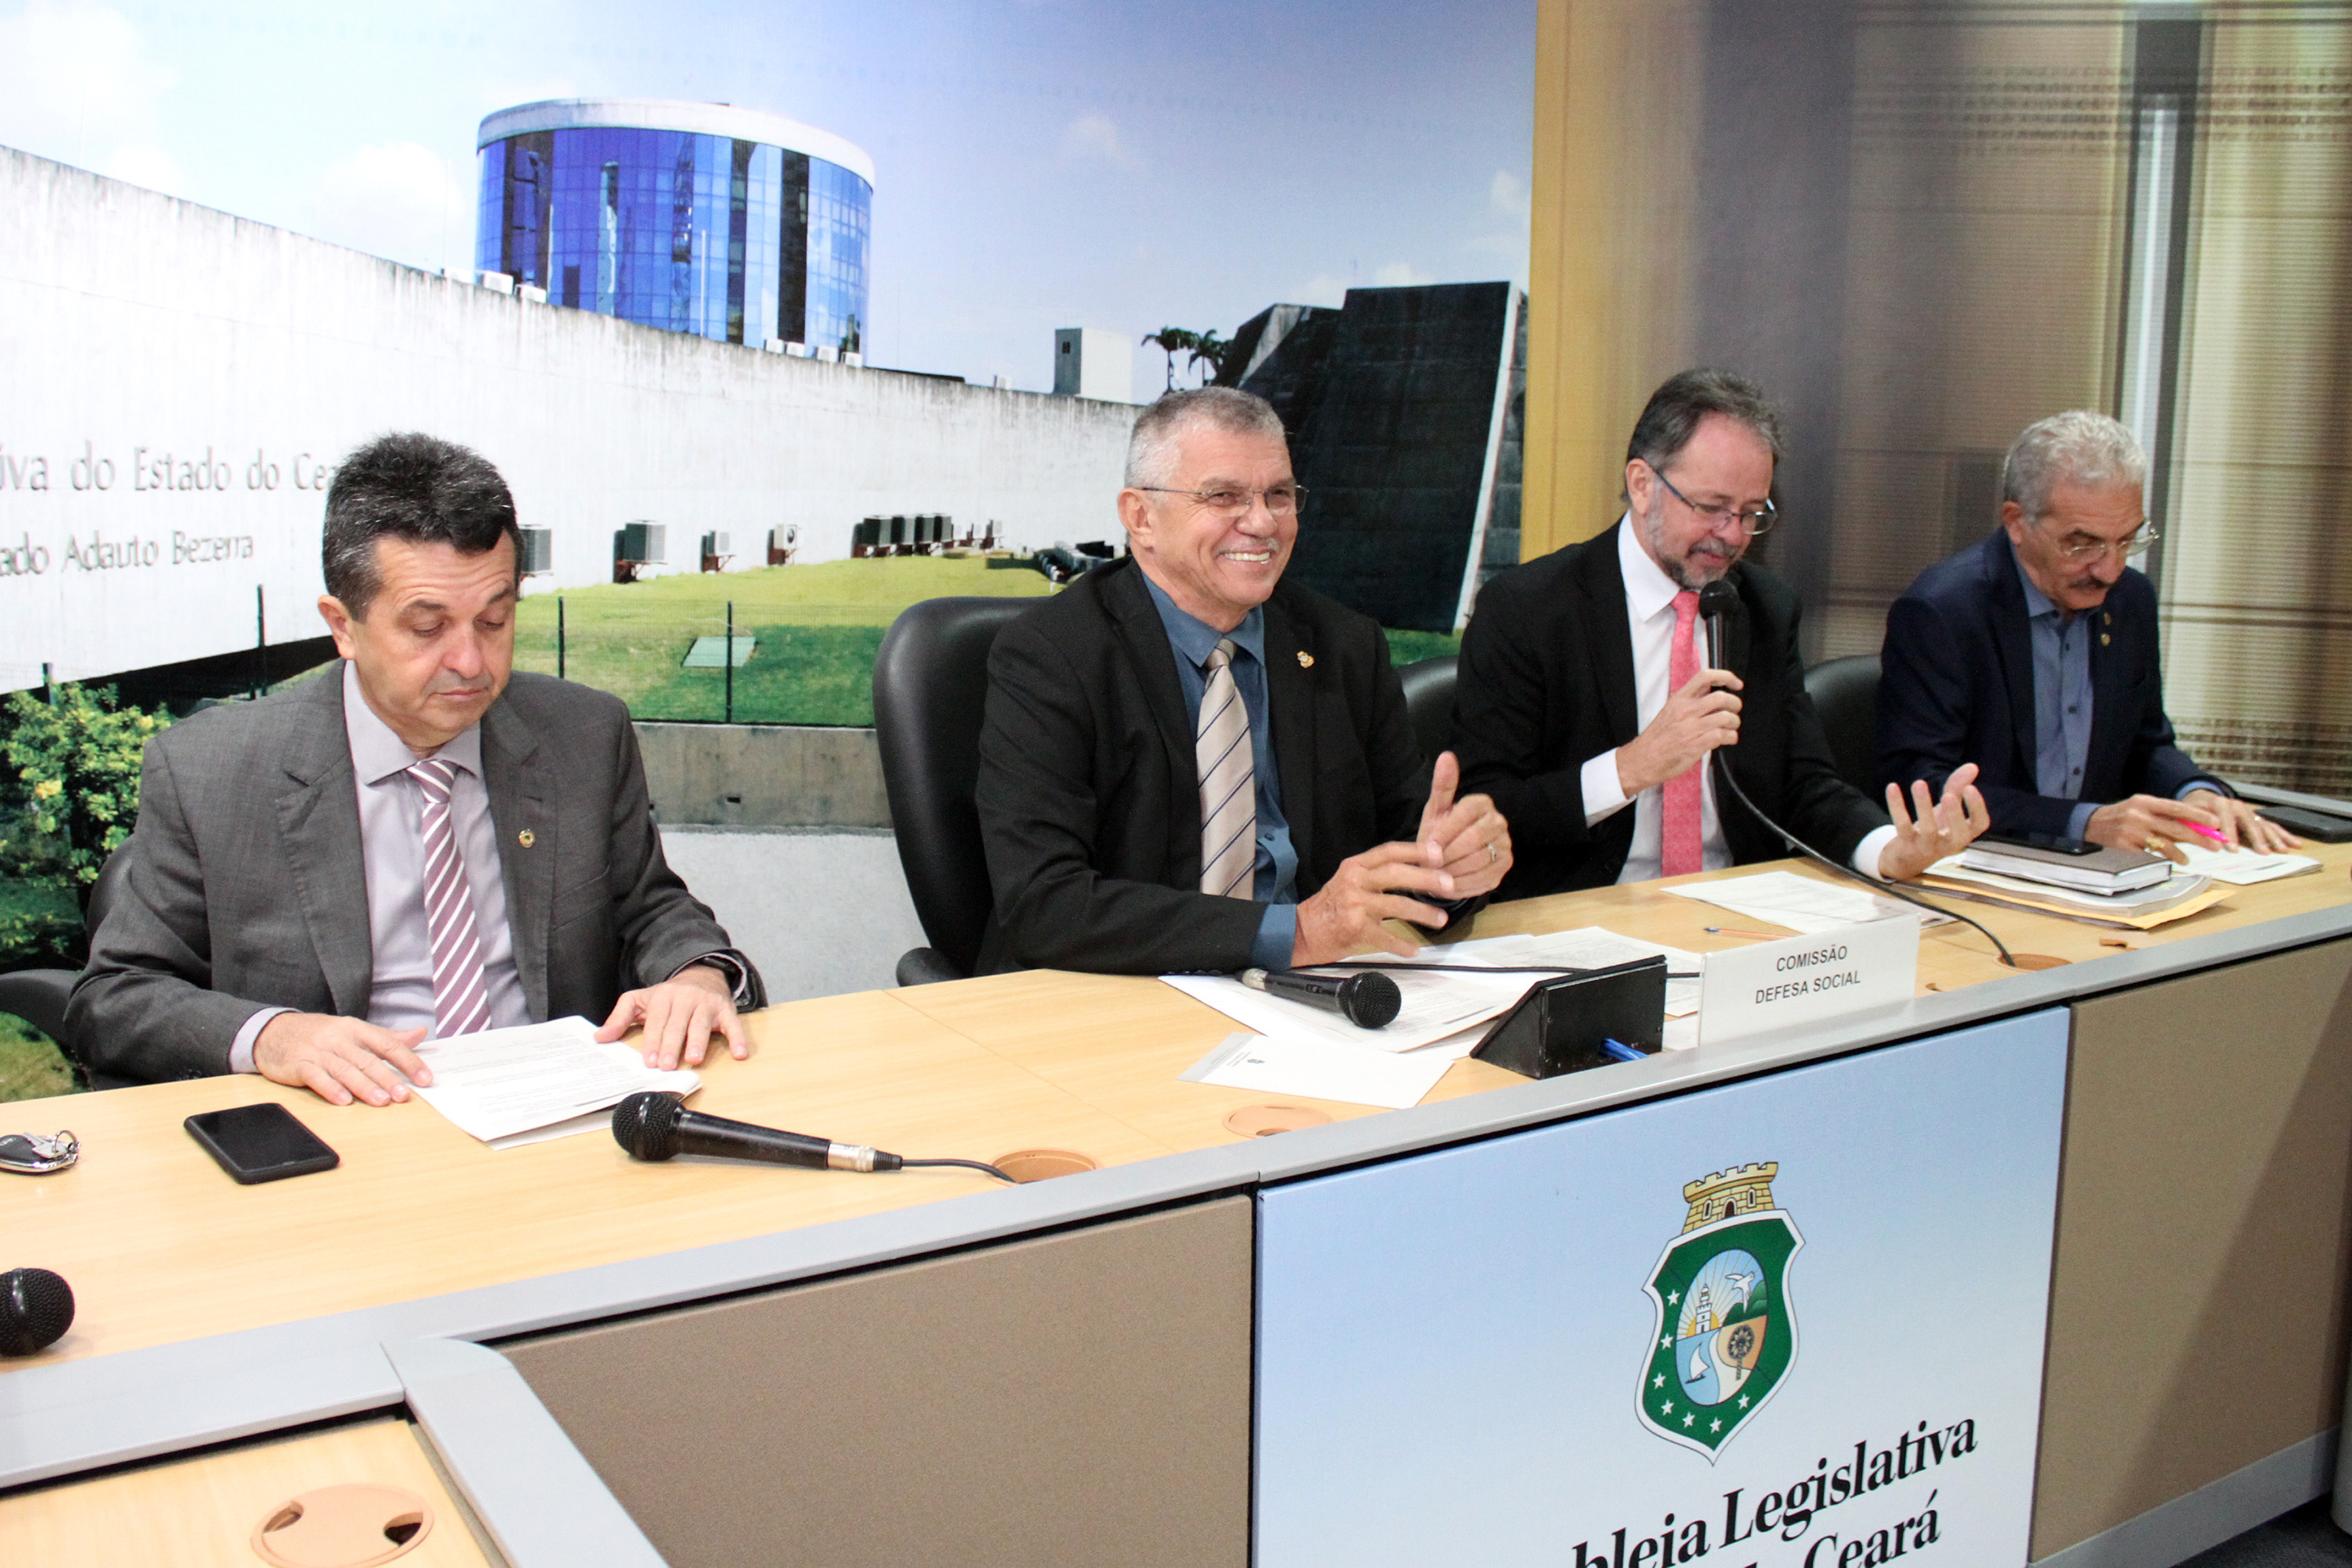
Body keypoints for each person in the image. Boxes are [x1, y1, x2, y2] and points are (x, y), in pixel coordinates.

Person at [69, 434, 764, 1103]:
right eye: (428, 628)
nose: (471, 661)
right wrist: (270, 1037)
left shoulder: (583, 735)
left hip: (557, 1109)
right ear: (343, 626)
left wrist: (696, 974)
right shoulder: (210, 772)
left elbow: (651, 909)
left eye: (494, 621)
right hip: (349, 1125)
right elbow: (116, 998)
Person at [975, 387, 1513, 975]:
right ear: (1141, 517)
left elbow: (1409, 844)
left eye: (1279, 495)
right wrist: (1294, 933)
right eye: (1223, 496)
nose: (1262, 523)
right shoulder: (1052, 654)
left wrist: (1453, 869)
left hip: (1317, 989)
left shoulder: (1344, 645)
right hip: (1117, 991)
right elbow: (1045, 903)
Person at [1454, 368, 1987, 897]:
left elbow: (1805, 785)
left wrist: (1888, 851)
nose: (1732, 535)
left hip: (1733, 909)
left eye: (1752, 513)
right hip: (1580, 911)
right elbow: (1485, 807)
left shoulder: (1763, 608)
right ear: (1642, 485)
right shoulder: (1529, 610)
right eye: (1712, 508)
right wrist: (1631, 768)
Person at [1876, 410, 2296, 861]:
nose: (2110, 569)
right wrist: (2083, 822)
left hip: (2097, 872)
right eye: (2083, 544)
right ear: (2017, 521)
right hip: (1978, 864)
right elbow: (1922, 786)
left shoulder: (2130, 599)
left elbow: (2145, 744)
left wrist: (2192, 792)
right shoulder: (1944, 611)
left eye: (2126, 540)